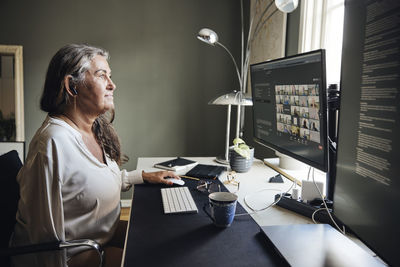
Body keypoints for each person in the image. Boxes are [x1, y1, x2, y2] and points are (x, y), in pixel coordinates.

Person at [10, 44, 180, 267]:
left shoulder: (93, 129)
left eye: (110, 76)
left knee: (164, 236)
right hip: (76, 255)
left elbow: (87, 184)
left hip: (100, 238)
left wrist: (142, 176)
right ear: (72, 86)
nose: (113, 84)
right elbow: (42, 240)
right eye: (102, 76)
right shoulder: (52, 143)